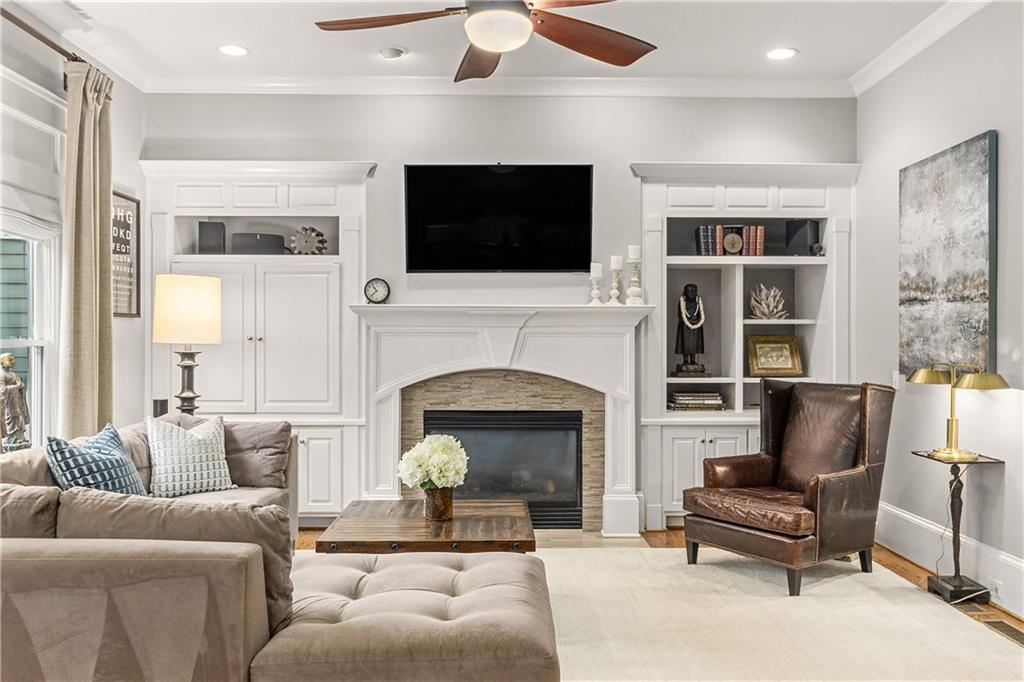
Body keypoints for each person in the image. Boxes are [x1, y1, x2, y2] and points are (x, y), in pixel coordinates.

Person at [0, 352, 31, 452]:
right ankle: (13, 439)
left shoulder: (13, 374)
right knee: (12, 421)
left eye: (13, 359)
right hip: (9, 404)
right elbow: (3, 390)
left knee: (20, 420)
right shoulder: (2, 375)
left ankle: (20, 438)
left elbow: (19, 386)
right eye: (9, 359)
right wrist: (17, 386)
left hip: (17, 401)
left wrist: (21, 386)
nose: (12, 361)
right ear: (2, 361)